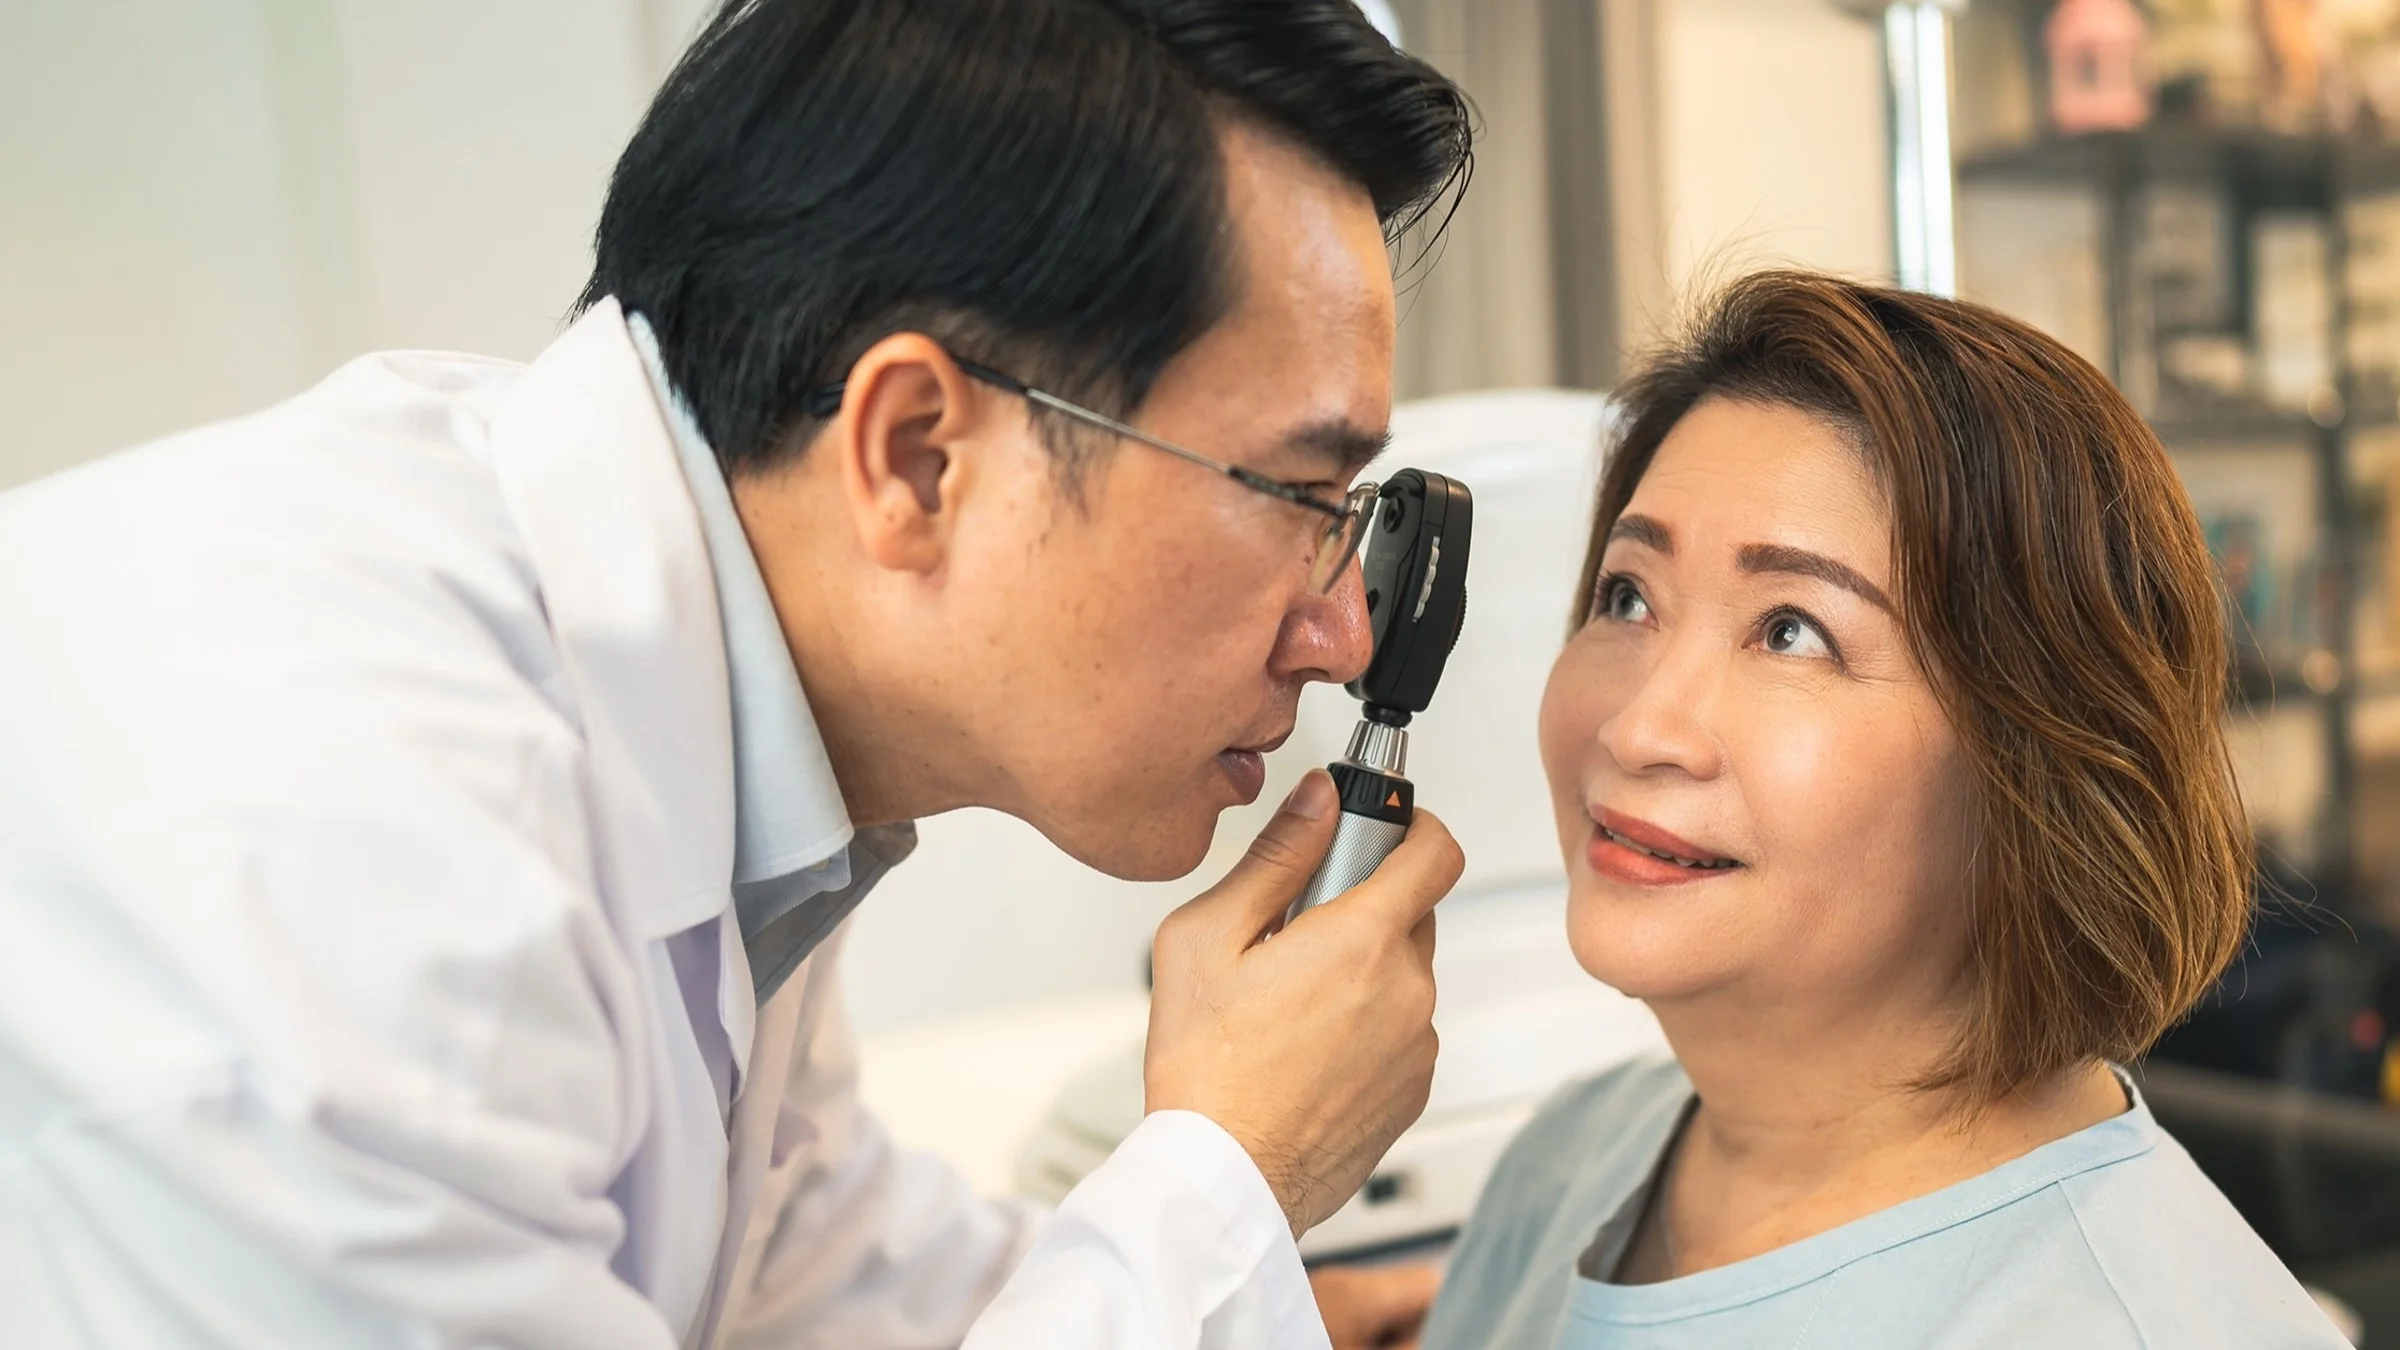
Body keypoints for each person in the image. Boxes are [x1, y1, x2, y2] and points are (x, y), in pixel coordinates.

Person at [0, 3, 1475, 1347]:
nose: (1344, 630)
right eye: (1298, 496)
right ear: (915, 454)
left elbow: (794, 1252)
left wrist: (1251, 1295)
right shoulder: (363, 888)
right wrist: (1226, 1183)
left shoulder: (702, 699)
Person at [1419, 272, 2353, 1348]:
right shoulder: (1570, 1164)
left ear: (2036, 766)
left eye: (1790, 632)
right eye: (1628, 596)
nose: (1639, 728)